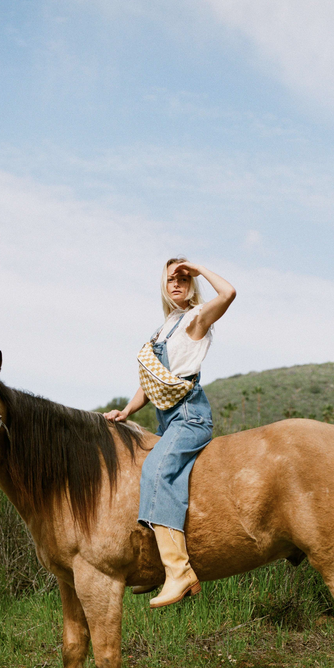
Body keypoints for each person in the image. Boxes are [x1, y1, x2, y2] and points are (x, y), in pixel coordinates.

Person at [105, 258, 236, 608]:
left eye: (182, 278)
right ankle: (156, 566)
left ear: (192, 284)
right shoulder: (164, 327)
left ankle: (179, 571)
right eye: (170, 279)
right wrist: (128, 410)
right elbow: (151, 384)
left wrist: (198, 268)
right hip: (166, 421)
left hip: (189, 418)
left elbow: (230, 292)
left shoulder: (197, 318)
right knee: (144, 474)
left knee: (157, 470)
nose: (176, 283)